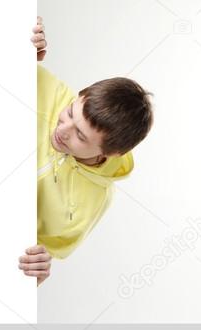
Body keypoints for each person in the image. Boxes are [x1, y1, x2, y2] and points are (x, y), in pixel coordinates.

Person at [20, 16, 154, 284]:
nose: (63, 129)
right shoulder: (45, 86)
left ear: (110, 153)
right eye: (70, 112)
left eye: (80, 135)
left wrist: (38, 270)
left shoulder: (95, 201)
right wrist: (22, 42)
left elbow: (35, 268)